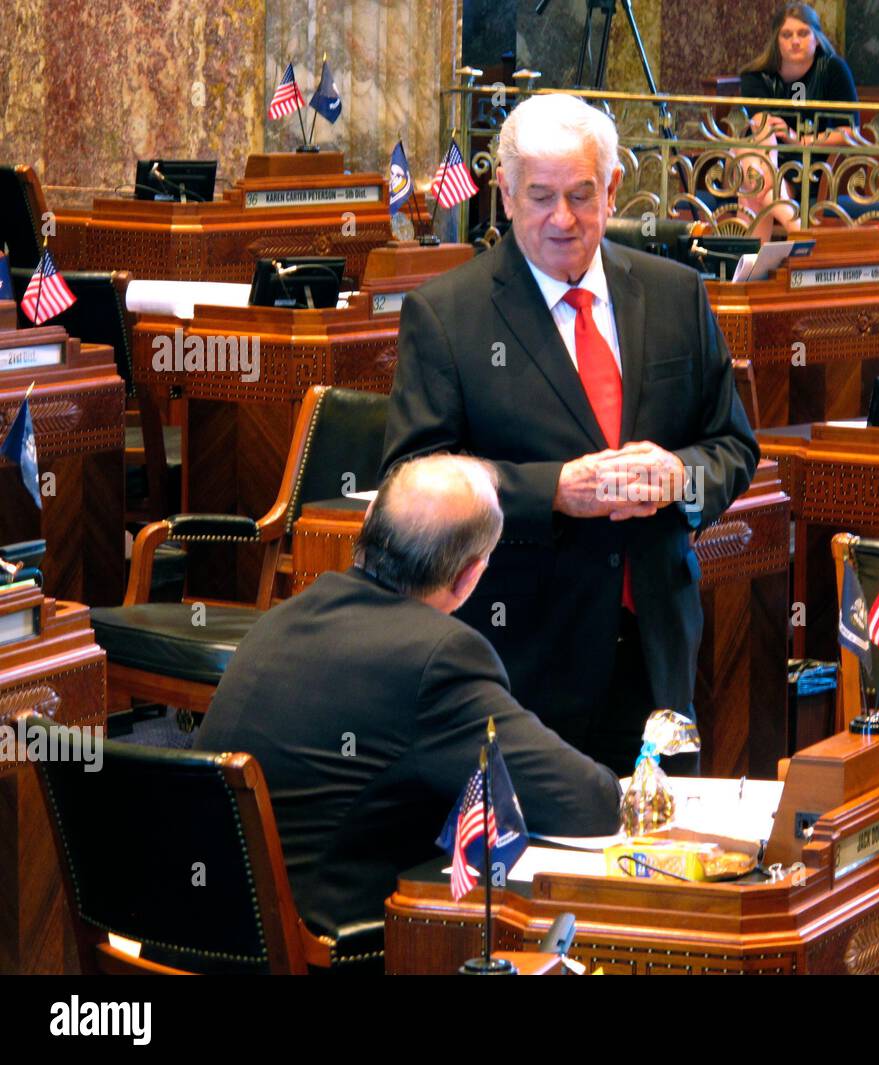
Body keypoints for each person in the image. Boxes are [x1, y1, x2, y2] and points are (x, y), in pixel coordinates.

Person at [380, 93, 759, 776]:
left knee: (659, 863)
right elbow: (413, 476)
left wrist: (681, 476)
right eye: (541, 196)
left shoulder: (674, 294)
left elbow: (732, 446)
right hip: (520, 655)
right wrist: (554, 489)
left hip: (656, 653)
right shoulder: (447, 316)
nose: (563, 218)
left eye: (582, 195)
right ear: (505, 193)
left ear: (613, 189)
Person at [194, 455, 622, 937]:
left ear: (367, 528)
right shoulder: (440, 656)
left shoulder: (280, 619)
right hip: (317, 951)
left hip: (192, 932)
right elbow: (588, 803)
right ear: (469, 576)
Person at [736, 4, 859, 238]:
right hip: (766, 158)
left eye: (803, 33)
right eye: (787, 34)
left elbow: (849, 132)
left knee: (753, 185)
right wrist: (771, 166)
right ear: (776, 40)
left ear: (816, 37)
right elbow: (762, 127)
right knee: (751, 156)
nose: (795, 41)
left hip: (811, 165)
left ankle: (751, 268)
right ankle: (799, 231)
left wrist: (799, 139)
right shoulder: (755, 75)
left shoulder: (833, 69)